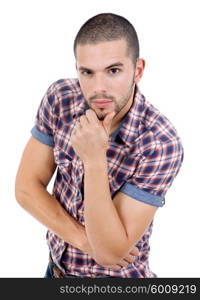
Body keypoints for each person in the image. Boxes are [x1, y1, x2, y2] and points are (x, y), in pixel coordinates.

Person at [15, 13, 184, 278]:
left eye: (113, 71)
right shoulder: (61, 98)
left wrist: (94, 160)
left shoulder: (160, 142)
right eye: (87, 73)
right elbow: (26, 189)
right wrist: (83, 241)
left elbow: (108, 254)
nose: (98, 88)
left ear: (137, 70)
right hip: (55, 272)